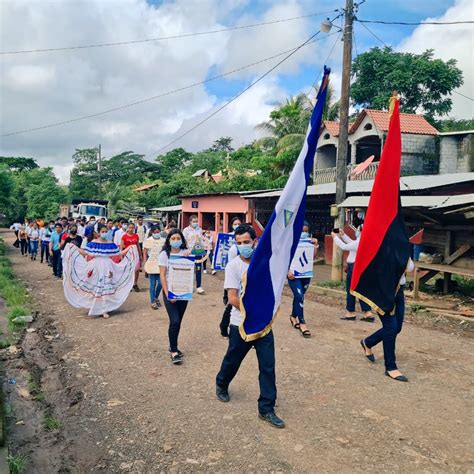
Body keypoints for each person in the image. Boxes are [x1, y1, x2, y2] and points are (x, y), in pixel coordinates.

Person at [215, 224, 284, 429]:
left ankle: (266, 408)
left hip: (264, 325)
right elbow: (232, 297)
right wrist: (252, 310)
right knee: (233, 359)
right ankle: (222, 383)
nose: (243, 246)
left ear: (255, 241)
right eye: (239, 243)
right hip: (241, 324)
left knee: (268, 366)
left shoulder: (266, 263)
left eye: (246, 242)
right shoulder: (234, 266)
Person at [62, 223, 139, 319]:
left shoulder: (110, 242)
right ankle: (98, 307)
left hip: (108, 266)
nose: (104, 233)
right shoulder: (94, 242)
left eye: (106, 231)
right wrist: (73, 247)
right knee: (97, 286)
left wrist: (130, 248)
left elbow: (118, 253)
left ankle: (104, 309)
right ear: (98, 232)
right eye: (102, 232)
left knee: (106, 286)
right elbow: (85, 252)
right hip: (96, 266)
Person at [360, 258, 414, 382]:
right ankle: (390, 367)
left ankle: (368, 342)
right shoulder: (382, 245)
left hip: (398, 290)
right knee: (390, 327)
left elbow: (410, 267)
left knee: (397, 328)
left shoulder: (401, 246)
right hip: (383, 291)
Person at [159, 229, 191, 365]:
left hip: (183, 292)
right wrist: (168, 294)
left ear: (182, 240)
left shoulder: (185, 253)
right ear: (169, 240)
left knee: (179, 322)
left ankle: (174, 346)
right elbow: (162, 275)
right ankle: (173, 351)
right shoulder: (164, 254)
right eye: (173, 239)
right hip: (170, 292)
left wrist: (192, 253)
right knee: (175, 321)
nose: (176, 241)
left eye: (178, 238)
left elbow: (201, 251)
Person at [332, 227, 374, 322]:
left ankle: (350, 312)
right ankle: (367, 312)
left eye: (358, 229)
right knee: (360, 290)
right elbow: (351, 243)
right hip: (359, 267)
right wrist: (343, 235)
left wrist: (335, 237)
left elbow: (344, 247)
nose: (357, 231)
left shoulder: (360, 241)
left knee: (351, 290)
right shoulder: (364, 240)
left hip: (354, 267)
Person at [288, 222, 318, 338]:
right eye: (302, 231)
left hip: (306, 274)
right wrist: (287, 271)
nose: (304, 234)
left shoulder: (309, 243)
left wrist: (314, 245)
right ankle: (302, 323)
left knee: (299, 296)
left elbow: (313, 257)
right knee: (299, 296)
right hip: (293, 275)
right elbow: (282, 258)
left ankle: (292, 316)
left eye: (306, 231)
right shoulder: (290, 243)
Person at [219, 217, 242, 337]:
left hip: (246, 280)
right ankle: (224, 326)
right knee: (232, 303)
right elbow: (231, 266)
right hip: (236, 280)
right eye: (235, 224)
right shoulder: (233, 249)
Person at [143, 225, 166, 309]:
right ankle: (153, 301)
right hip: (151, 263)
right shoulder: (148, 240)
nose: (157, 233)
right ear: (152, 232)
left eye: (158, 232)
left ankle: (155, 297)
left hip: (161, 264)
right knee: (152, 284)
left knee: (160, 283)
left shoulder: (163, 240)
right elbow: (145, 253)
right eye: (155, 232)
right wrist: (145, 264)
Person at [183, 215, 206, 295]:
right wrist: (186, 250)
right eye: (194, 221)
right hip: (189, 253)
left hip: (198, 252)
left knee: (198, 269)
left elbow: (202, 240)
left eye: (196, 221)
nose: (196, 223)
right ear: (190, 222)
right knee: (189, 270)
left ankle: (199, 287)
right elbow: (184, 241)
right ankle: (188, 287)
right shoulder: (186, 230)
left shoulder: (199, 229)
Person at [121, 222, 141, 292]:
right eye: (130, 227)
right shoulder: (124, 237)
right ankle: (128, 285)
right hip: (127, 255)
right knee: (129, 270)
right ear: (127, 228)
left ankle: (135, 283)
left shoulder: (136, 236)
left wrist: (140, 254)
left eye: (133, 228)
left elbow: (138, 245)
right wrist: (121, 257)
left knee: (137, 269)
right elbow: (121, 247)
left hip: (136, 255)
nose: (131, 229)